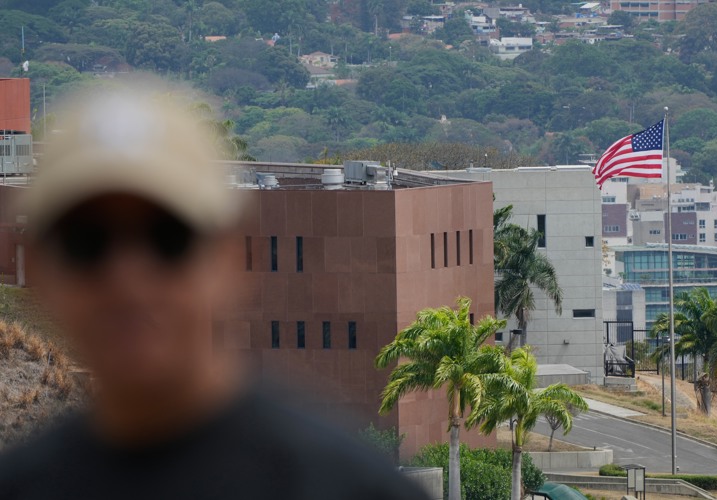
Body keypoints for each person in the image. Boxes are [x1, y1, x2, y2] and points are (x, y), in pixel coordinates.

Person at [0, 90, 427, 500]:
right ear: (39, 268)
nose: (128, 278)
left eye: (168, 239)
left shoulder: (350, 489)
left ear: (229, 258)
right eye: (88, 243)